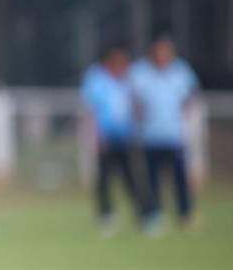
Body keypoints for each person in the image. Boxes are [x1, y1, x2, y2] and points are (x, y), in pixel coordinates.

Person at [129, 33, 200, 232]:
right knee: (151, 179)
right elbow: (133, 99)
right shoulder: (140, 72)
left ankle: (185, 214)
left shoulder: (181, 71)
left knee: (180, 179)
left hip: (174, 135)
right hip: (149, 136)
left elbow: (190, 96)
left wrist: (185, 119)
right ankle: (153, 215)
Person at [80, 45, 143, 233]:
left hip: (126, 137)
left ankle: (144, 214)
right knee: (104, 179)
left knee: (132, 178)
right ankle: (106, 216)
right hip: (105, 138)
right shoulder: (96, 79)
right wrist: (96, 136)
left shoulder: (129, 78)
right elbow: (90, 109)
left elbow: (137, 104)